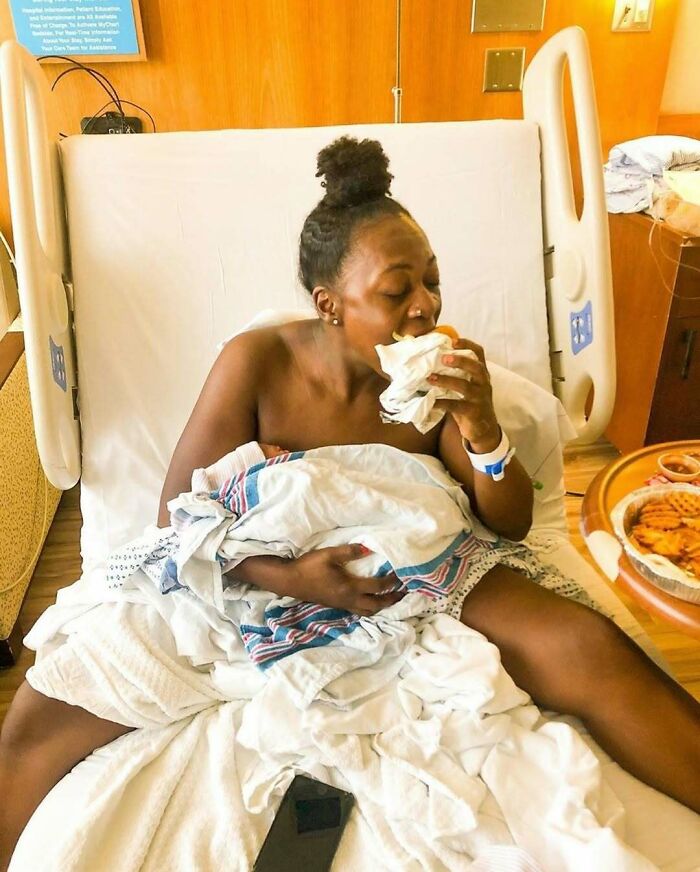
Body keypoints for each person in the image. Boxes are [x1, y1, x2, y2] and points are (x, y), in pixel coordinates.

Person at [1, 136, 699, 870]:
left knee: (587, 647)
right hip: (256, 574)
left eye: (432, 282)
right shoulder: (257, 362)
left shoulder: (436, 379)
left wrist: (484, 427)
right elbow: (174, 518)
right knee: (38, 716)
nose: (426, 306)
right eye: (397, 292)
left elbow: (510, 521)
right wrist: (288, 576)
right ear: (329, 306)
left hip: (416, 572)